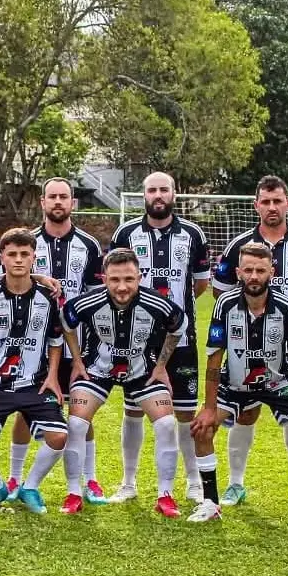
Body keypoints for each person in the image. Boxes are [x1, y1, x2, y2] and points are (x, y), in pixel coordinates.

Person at [189, 242, 288, 528]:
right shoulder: (225, 305)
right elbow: (215, 359)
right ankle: (210, 502)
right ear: (239, 272)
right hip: (236, 381)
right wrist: (208, 407)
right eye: (249, 270)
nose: (254, 276)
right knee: (202, 428)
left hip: (279, 382)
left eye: (261, 271)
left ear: (272, 272)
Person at [211, 176, 288, 505]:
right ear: (256, 205)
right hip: (242, 344)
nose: (272, 207)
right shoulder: (238, 246)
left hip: (287, 346)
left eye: (277, 201)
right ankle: (235, 484)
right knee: (245, 413)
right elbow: (220, 286)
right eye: (266, 201)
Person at [108, 171, 210, 508]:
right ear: (143, 195)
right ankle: (128, 481)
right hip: (136, 343)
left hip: (181, 341)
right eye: (152, 190)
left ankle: (193, 482)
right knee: (133, 410)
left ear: (174, 194)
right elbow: (116, 283)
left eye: (164, 189)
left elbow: (199, 284)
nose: (158, 195)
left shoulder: (193, 234)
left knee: (184, 412)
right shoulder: (125, 233)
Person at [61, 248, 186, 516]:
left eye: (129, 279)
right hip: (97, 370)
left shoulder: (158, 303)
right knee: (75, 423)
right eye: (115, 279)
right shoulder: (87, 303)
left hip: (143, 372)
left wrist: (162, 364)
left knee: (165, 423)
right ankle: (73, 492)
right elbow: (66, 322)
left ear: (140, 277)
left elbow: (179, 327)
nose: (122, 287)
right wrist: (77, 361)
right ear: (104, 278)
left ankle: (165, 494)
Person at [10, 178, 105, 504]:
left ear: (73, 203)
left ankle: (88, 481)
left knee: (81, 413)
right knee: (25, 411)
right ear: (42, 202)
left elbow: (97, 298)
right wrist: (36, 277)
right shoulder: (28, 241)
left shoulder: (90, 246)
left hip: (79, 345)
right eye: (52, 197)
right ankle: (14, 478)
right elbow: (7, 275)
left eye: (64, 197)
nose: (58, 202)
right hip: (33, 345)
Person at [0, 228, 67, 514]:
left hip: (35, 383)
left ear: (34, 258)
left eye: (24, 254)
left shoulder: (48, 296)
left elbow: (56, 340)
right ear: (2, 258)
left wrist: (54, 376)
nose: (18, 259)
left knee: (58, 436)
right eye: (12, 254)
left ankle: (30, 486)